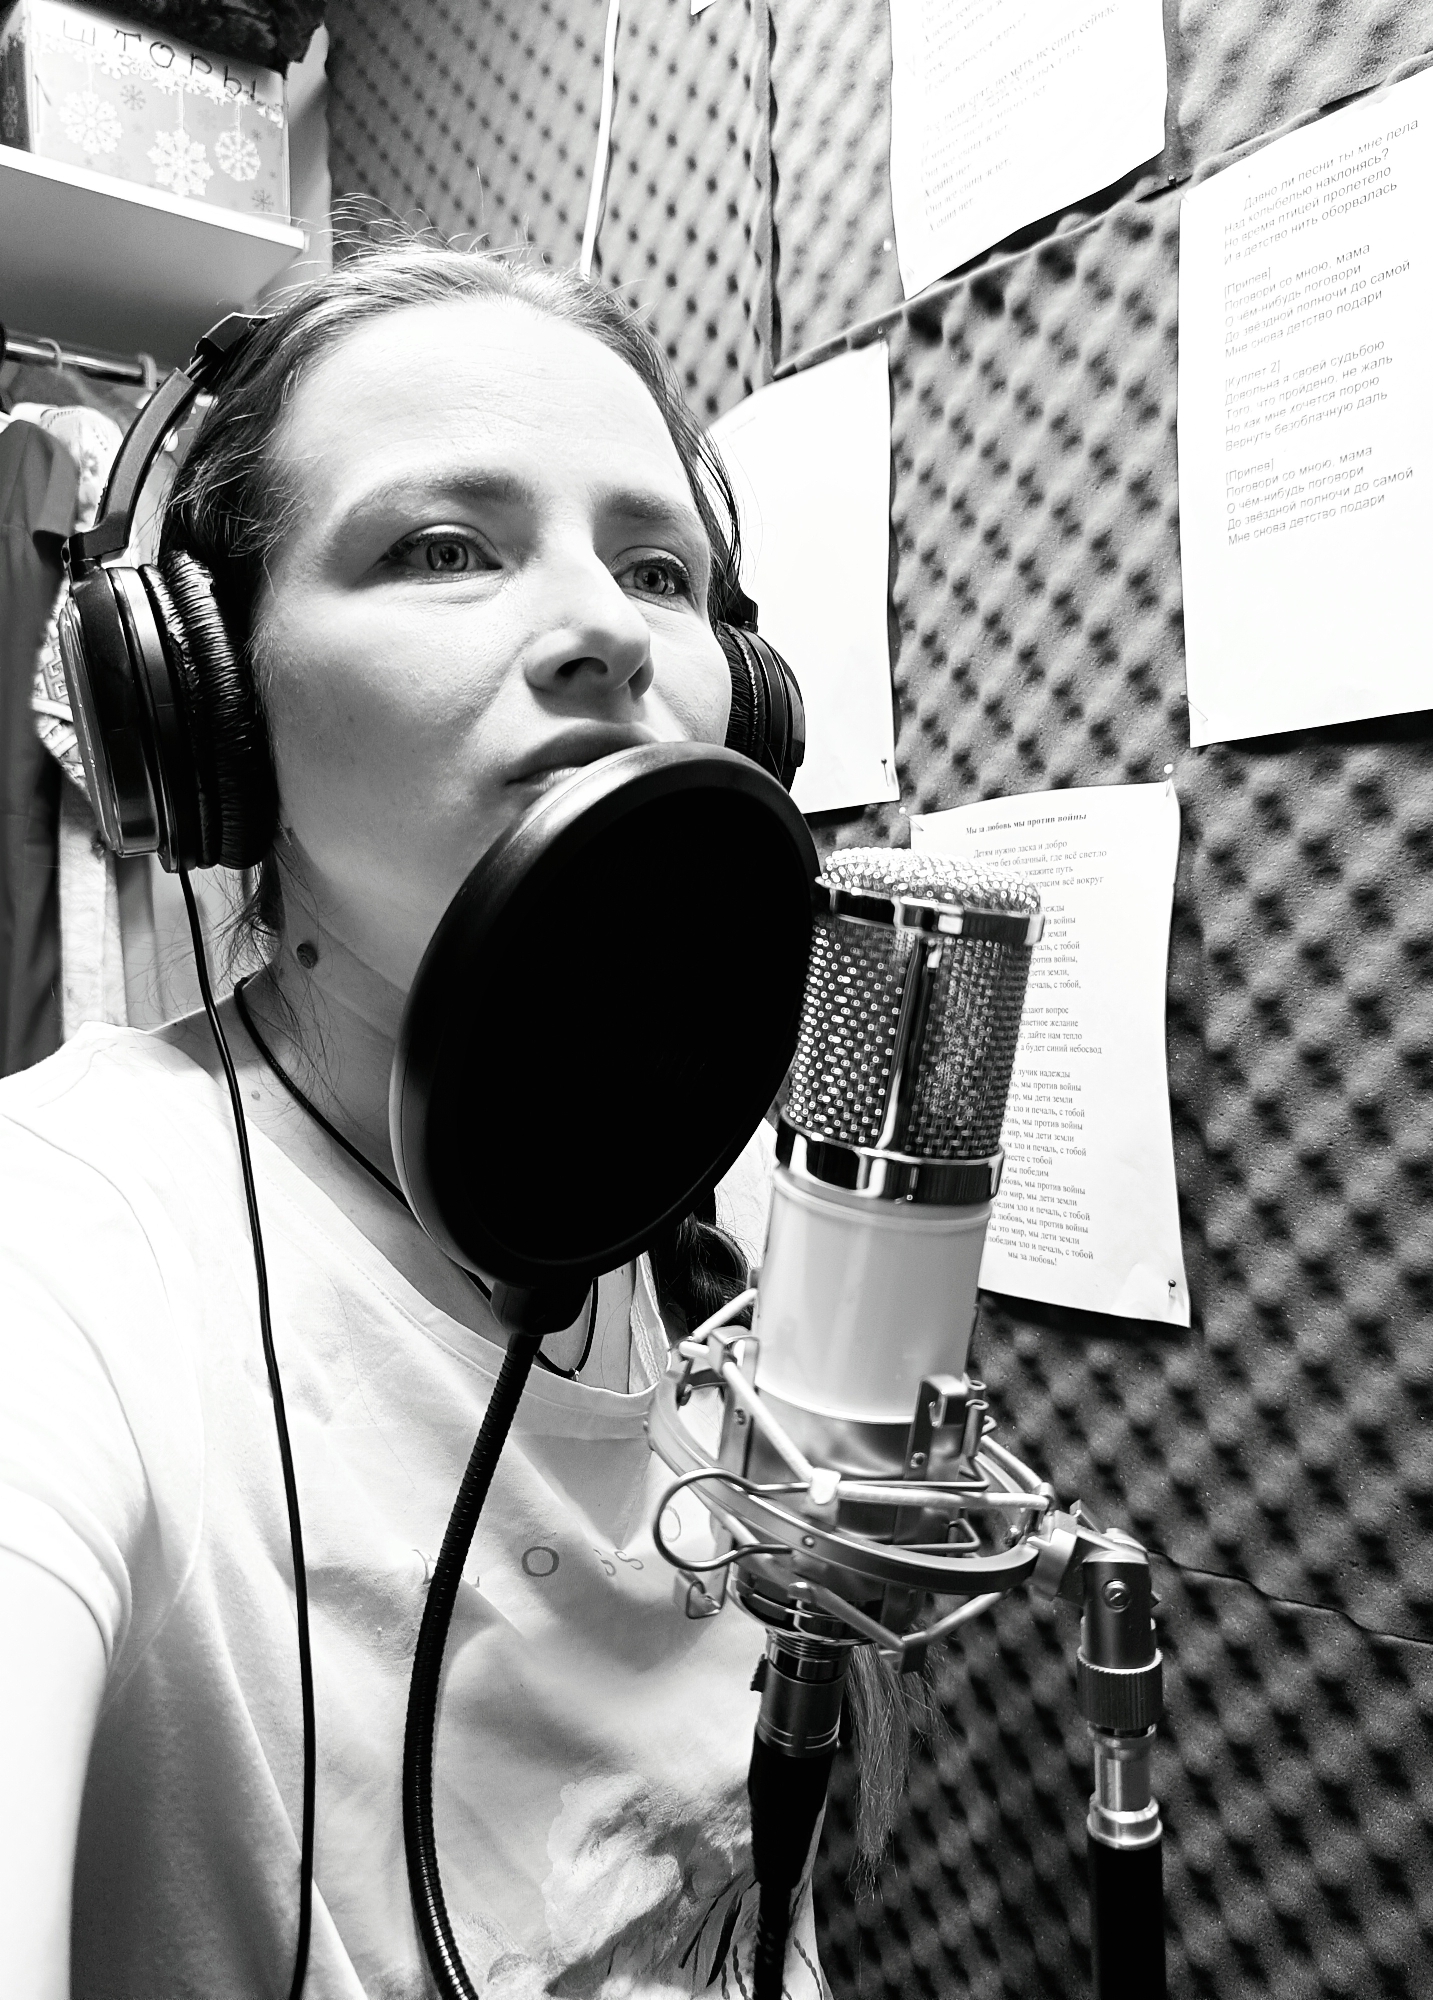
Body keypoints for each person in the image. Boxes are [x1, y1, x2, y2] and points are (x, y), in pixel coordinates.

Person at [0, 243, 827, 2000]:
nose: (611, 628)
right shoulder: (65, 1244)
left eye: (659, 571)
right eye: (444, 548)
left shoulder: (722, 1198)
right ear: (207, 707)